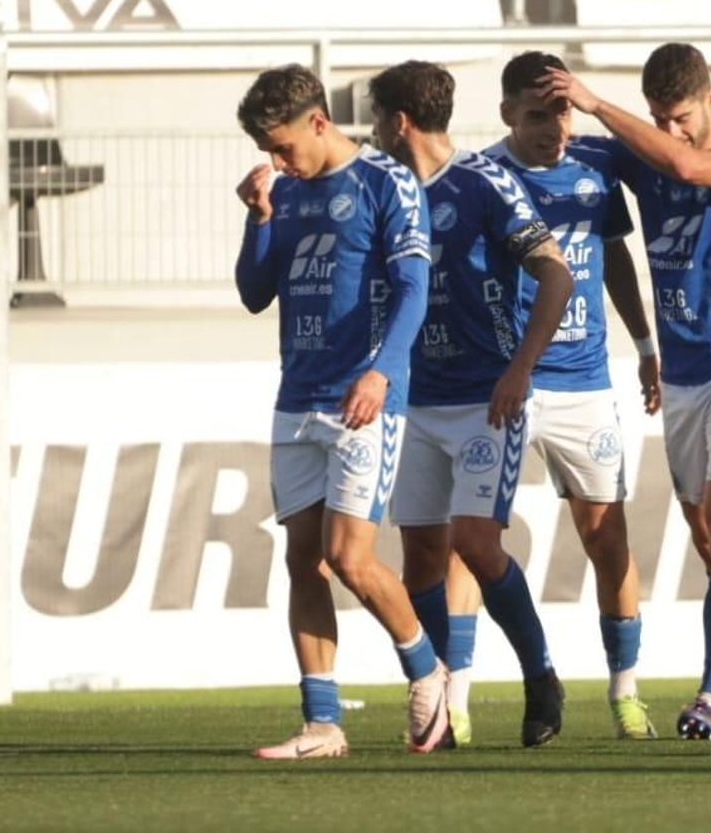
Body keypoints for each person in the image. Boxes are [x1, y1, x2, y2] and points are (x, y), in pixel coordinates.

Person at [535, 43, 711, 741]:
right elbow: (569, 152)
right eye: (660, 118)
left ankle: (710, 697)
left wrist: (597, 102)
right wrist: (544, 128)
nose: (672, 130)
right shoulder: (647, 151)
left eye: (680, 115)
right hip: (681, 375)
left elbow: (687, 164)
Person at [232, 63, 450, 759]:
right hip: (296, 397)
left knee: (348, 555)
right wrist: (258, 217)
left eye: (282, 145)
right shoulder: (287, 193)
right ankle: (323, 722)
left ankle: (427, 670)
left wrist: (382, 372)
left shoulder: (386, 183)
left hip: (362, 401)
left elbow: (415, 287)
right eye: (266, 148)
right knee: (303, 560)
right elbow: (254, 291)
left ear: (319, 122)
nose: (276, 160)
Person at [371, 60, 572, 749]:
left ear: (400, 122)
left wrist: (521, 368)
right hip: (414, 402)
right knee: (420, 559)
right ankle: (439, 708)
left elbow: (556, 273)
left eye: (375, 119)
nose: (370, 133)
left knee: (478, 545)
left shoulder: (484, 184)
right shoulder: (382, 190)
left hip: (486, 396)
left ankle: (540, 674)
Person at [484, 50, 661, 740]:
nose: (551, 128)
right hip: (506, 382)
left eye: (559, 111)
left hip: (585, 382)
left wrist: (644, 343)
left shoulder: (593, 170)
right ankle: (460, 700)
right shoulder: (485, 176)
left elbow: (615, 255)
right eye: (535, 114)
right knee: (476, 538)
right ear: (507, 114)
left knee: (607, 538)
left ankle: (625, 690)